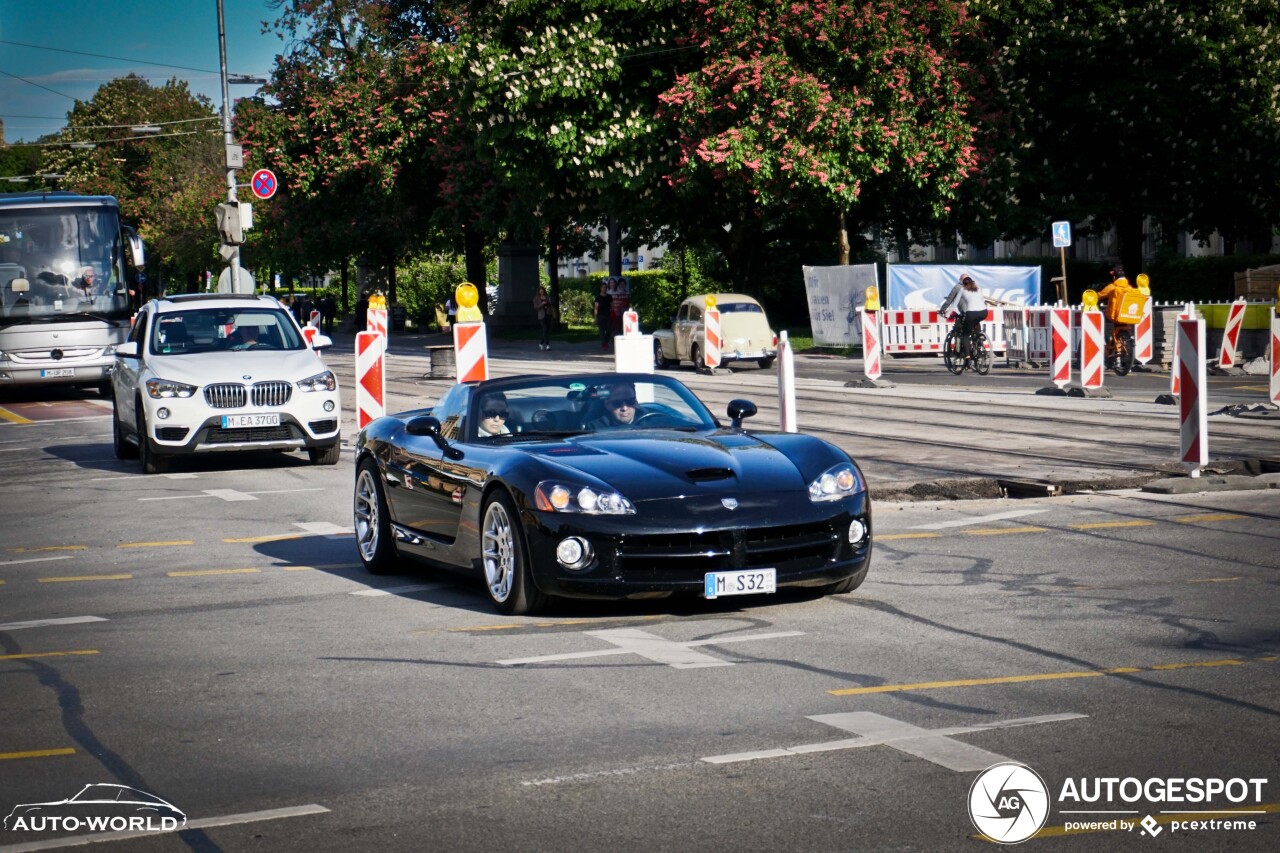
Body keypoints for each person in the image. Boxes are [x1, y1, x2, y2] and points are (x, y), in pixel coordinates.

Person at [939, 274, 987, 364]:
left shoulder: (960, 288)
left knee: (963, 334)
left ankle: (964, 356)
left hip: (968, 313)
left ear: (961, 281)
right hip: (983, 312)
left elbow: (951, 301)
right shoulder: (978, 287)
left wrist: (946, 313)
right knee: (976, 324)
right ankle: (979, 340)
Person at [533, 285, 554, 351]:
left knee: (546, 330)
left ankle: (541, 343)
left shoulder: (547, 297)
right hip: (541, 315)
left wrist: (548, 302)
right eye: (540, 291)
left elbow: (551, 304)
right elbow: (536, 307)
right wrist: (542, 304)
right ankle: (547, 345)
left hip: (548, 314)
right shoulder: (536, 298)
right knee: (544, 329)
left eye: (543, 291)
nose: (542, 292)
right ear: (539, 292)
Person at [594, 280, 613, 350]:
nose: (604, 289)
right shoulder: (598, 297)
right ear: (600, 288)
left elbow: (612, 306)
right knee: (602, 331)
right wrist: (595, 318)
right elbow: (596, 308)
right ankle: (604, 344)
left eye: (605, 287)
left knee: (609, 330)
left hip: (608, 315)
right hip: (600, 316)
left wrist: (612, 310)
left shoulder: (609, 297)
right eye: (603, 287)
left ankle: (606, 341)